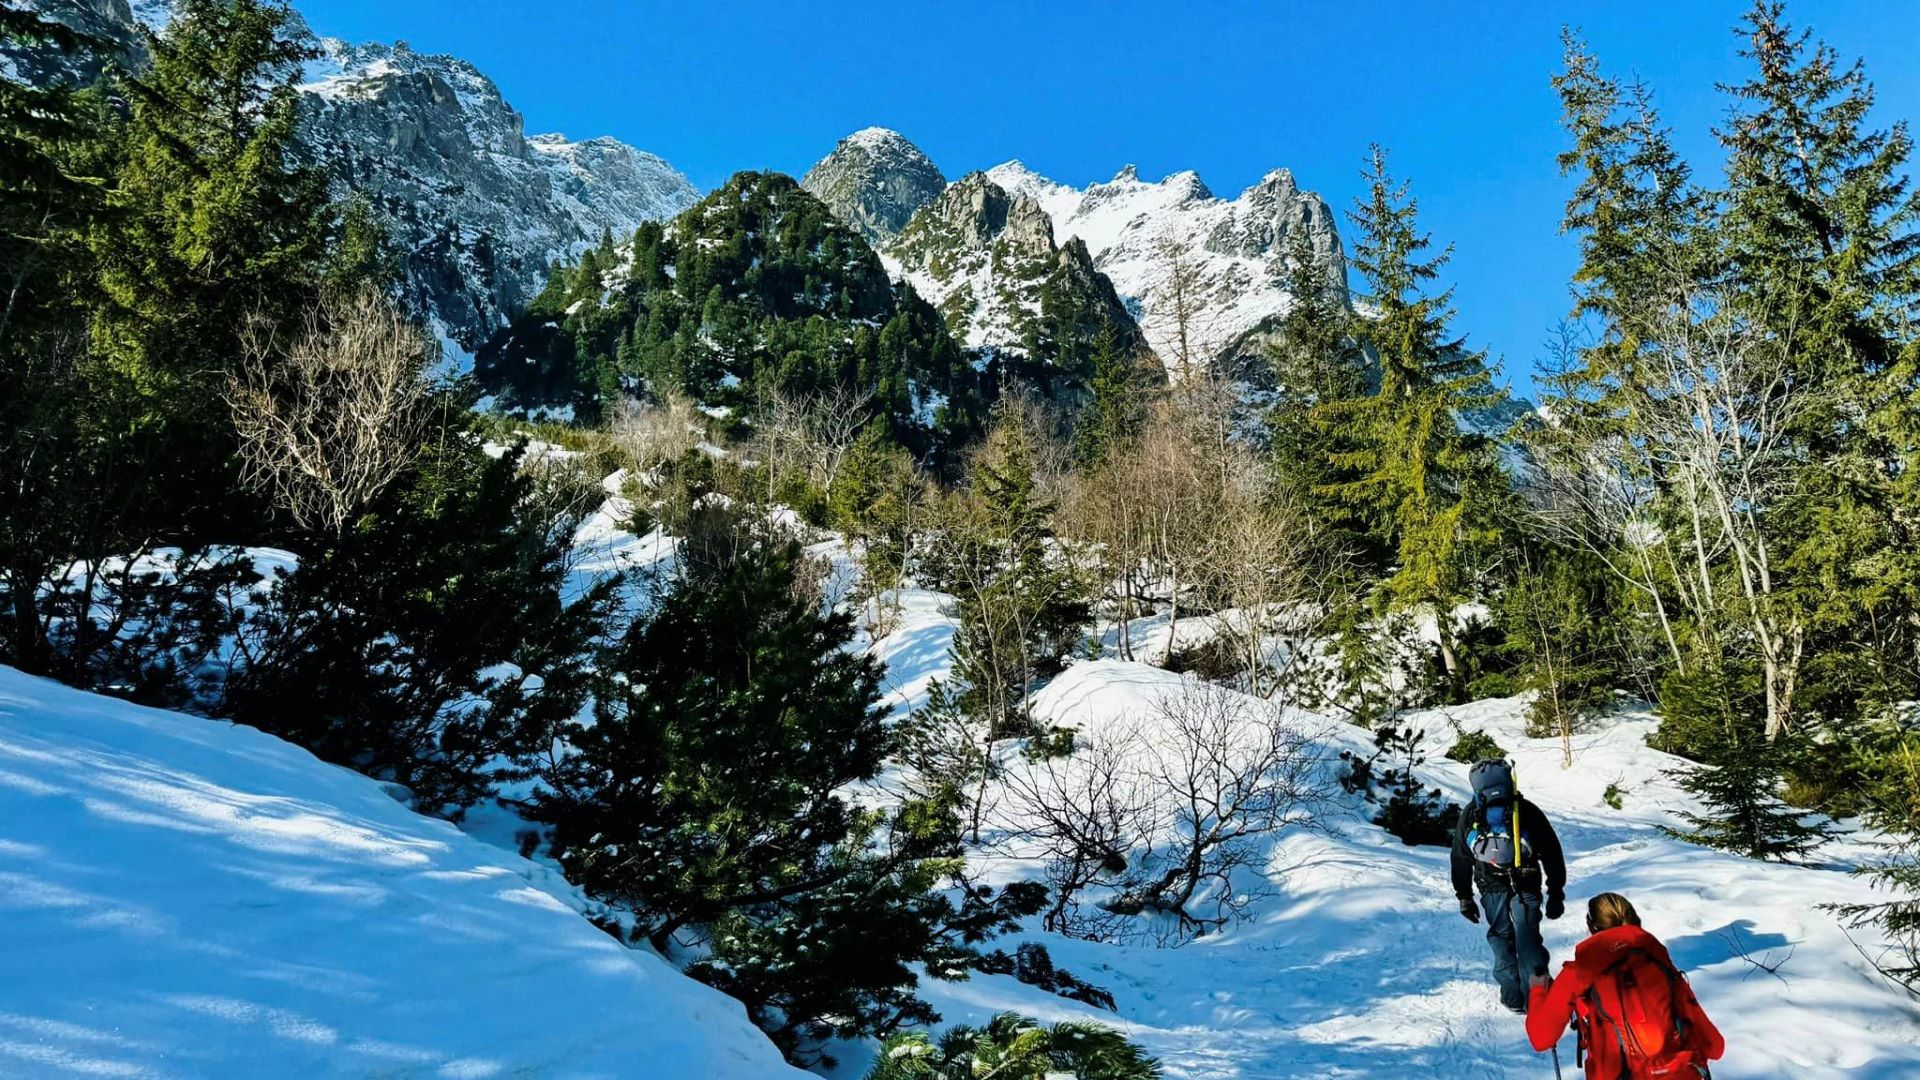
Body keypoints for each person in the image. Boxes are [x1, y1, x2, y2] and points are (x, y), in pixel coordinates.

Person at [1526, 893, 1724, 1078]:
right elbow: (1715, 1046)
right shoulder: (1660, 963)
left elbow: (1541, 1038)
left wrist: (1537, 991)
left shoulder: (1577, 973)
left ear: (1592, 928)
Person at [1452, 758, 1566, 1012]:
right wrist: (1556, 891)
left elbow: (1460, 857)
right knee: (1528, 937)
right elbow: (1551, 851)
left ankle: (1513, 996)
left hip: (1490, 885)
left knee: (1501, 937)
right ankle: (1540, 993)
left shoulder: (1471, 813)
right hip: (1526, 882)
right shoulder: (1526, 810)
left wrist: (1464, 896)